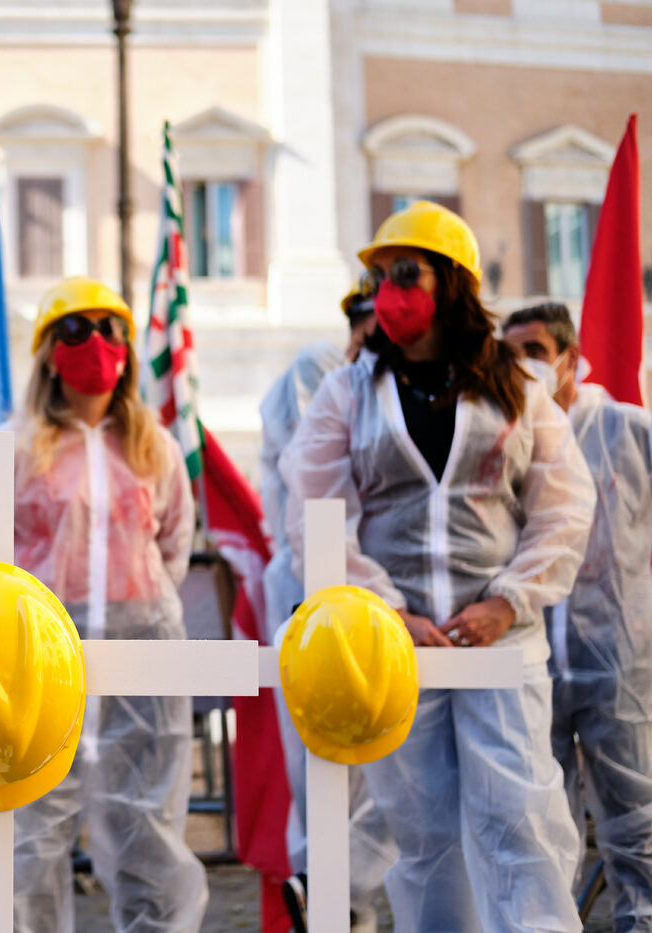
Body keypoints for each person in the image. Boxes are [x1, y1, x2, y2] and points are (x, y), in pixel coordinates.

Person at [281, 201, 595, 932]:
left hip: (502, 643)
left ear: (452, 282)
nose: (388, 292)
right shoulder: (347, 392)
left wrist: (509, 602)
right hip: (398, 648)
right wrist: (388, 611)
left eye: (405, 273)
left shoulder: (518, 387)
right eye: (379, 277)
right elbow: (314, 513)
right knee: (420, 833)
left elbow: (564, 506)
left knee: (520, 821)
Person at [10, 276, 207, 933]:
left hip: (141, 658)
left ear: (127, 347)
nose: (94, 343)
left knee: (147, 825)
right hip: (39, 661)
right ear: (47, 352)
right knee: (28, 836)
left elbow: (174, 545)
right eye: (74, 330)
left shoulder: (155, 447)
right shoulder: (15, 446)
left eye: (109, 329)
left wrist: (135, 613)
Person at [503, 301, 652, 932]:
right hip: (532, 658)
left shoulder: (626, 429)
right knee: (542, 822)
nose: (521, 368)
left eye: (534, 353)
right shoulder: (507, 435)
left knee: (635, 815)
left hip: (619, 657)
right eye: (509, 356)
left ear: (569, 356)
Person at [258, 279, 394, 932]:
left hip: (380, 597)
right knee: (320, 756)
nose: (373, 335)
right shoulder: (325, 373)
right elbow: (312, 472)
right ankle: (327, 892)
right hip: (308, 593)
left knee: (385, 760)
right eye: (366, 324)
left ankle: (340, 893)